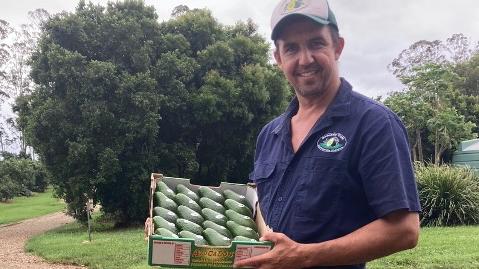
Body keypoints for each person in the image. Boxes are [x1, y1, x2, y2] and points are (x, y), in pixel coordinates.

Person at [234, 0, 421, 268]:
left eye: (316, 43)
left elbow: (404, 230)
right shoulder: (269, 134)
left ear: (338, 47)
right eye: (292, 48)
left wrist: (305, 256)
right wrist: (165, 224)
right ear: (278, 58)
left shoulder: (374, 123)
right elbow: (256, 212)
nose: (305, 59)